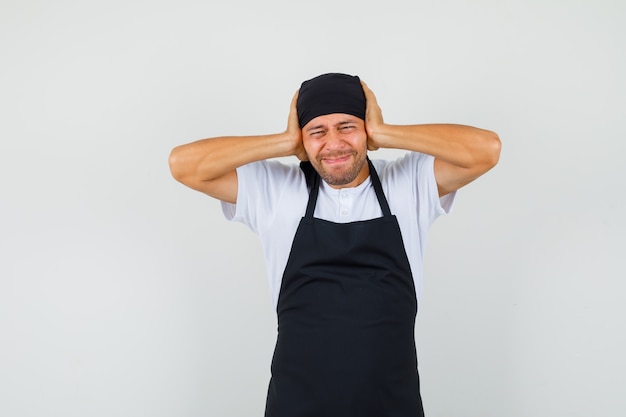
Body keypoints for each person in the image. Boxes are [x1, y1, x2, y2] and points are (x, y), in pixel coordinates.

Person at [168, 73, 501, 417]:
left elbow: (486, 151)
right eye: (317, 131)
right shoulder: (277, 191)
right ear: (302, 137)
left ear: (367, 129)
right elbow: (184, 166)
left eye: (347, 126)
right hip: (296, 407)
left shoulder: (408, 184)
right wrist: (283, 141)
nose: (334, 143)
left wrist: (386, 134)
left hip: (392, 405)